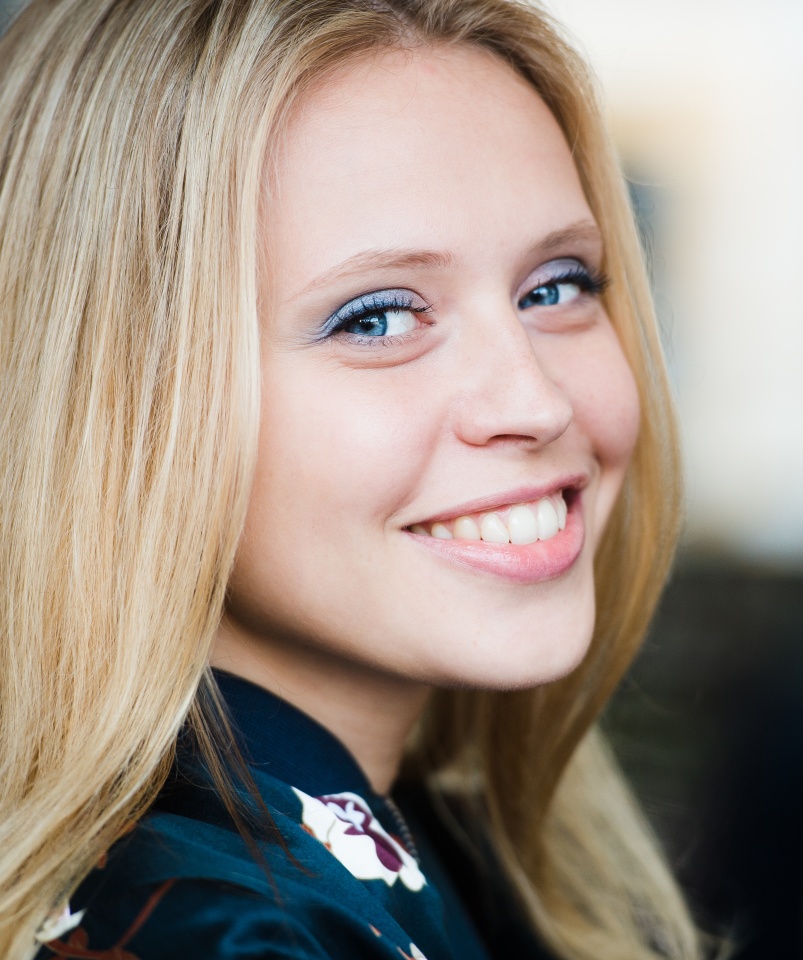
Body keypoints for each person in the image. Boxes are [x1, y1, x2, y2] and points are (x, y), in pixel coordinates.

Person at [0, 1, 701, 958]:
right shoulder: (228, 935)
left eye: (558, 285)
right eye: (374, 318)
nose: (535, 402)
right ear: (115, 403)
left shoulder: (426, 848)